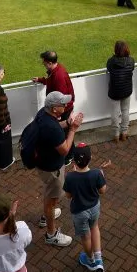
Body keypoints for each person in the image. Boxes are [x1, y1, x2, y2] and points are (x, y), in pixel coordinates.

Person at [32, 92, 84, 247]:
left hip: (44, 164)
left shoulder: (43, 114)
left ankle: (46, 216)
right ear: (54, 109)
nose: (65, 105)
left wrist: (67, 123)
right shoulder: (51, 127)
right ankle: (51, 234)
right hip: (51, 168)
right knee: (51, 199)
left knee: (49, 195)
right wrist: (73, 129)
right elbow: (65, 150)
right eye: (62, 104)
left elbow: (54, 127)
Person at [63, 144, 108, 272]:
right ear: (91, 158)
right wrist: (101, 176)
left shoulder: (70, 177)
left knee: (85, 237)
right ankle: (99, 259)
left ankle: (90, 259)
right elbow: (102, 191)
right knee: (94, 227)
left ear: (74, 161)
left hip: (79, 212)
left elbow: (68, 196)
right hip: (94, 208)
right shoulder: (96, 173)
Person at [32, 50, 76, 122]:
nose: (44, 65)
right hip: (60, 110)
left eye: (45, 64)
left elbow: (61, 99)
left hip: (62, 112)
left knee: (61, 132)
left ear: (50, 63)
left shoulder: (58, 76)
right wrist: (40, 80)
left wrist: (57, 115)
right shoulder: (56, 69)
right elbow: (50, 80)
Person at [106, 41, 135, 141]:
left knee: (115, 112)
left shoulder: (111, 61)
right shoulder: (131, 61)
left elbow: (108, 68)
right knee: (125, 111)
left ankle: (116, 135)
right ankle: (124, 132)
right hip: (126, 90)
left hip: (115, 91)